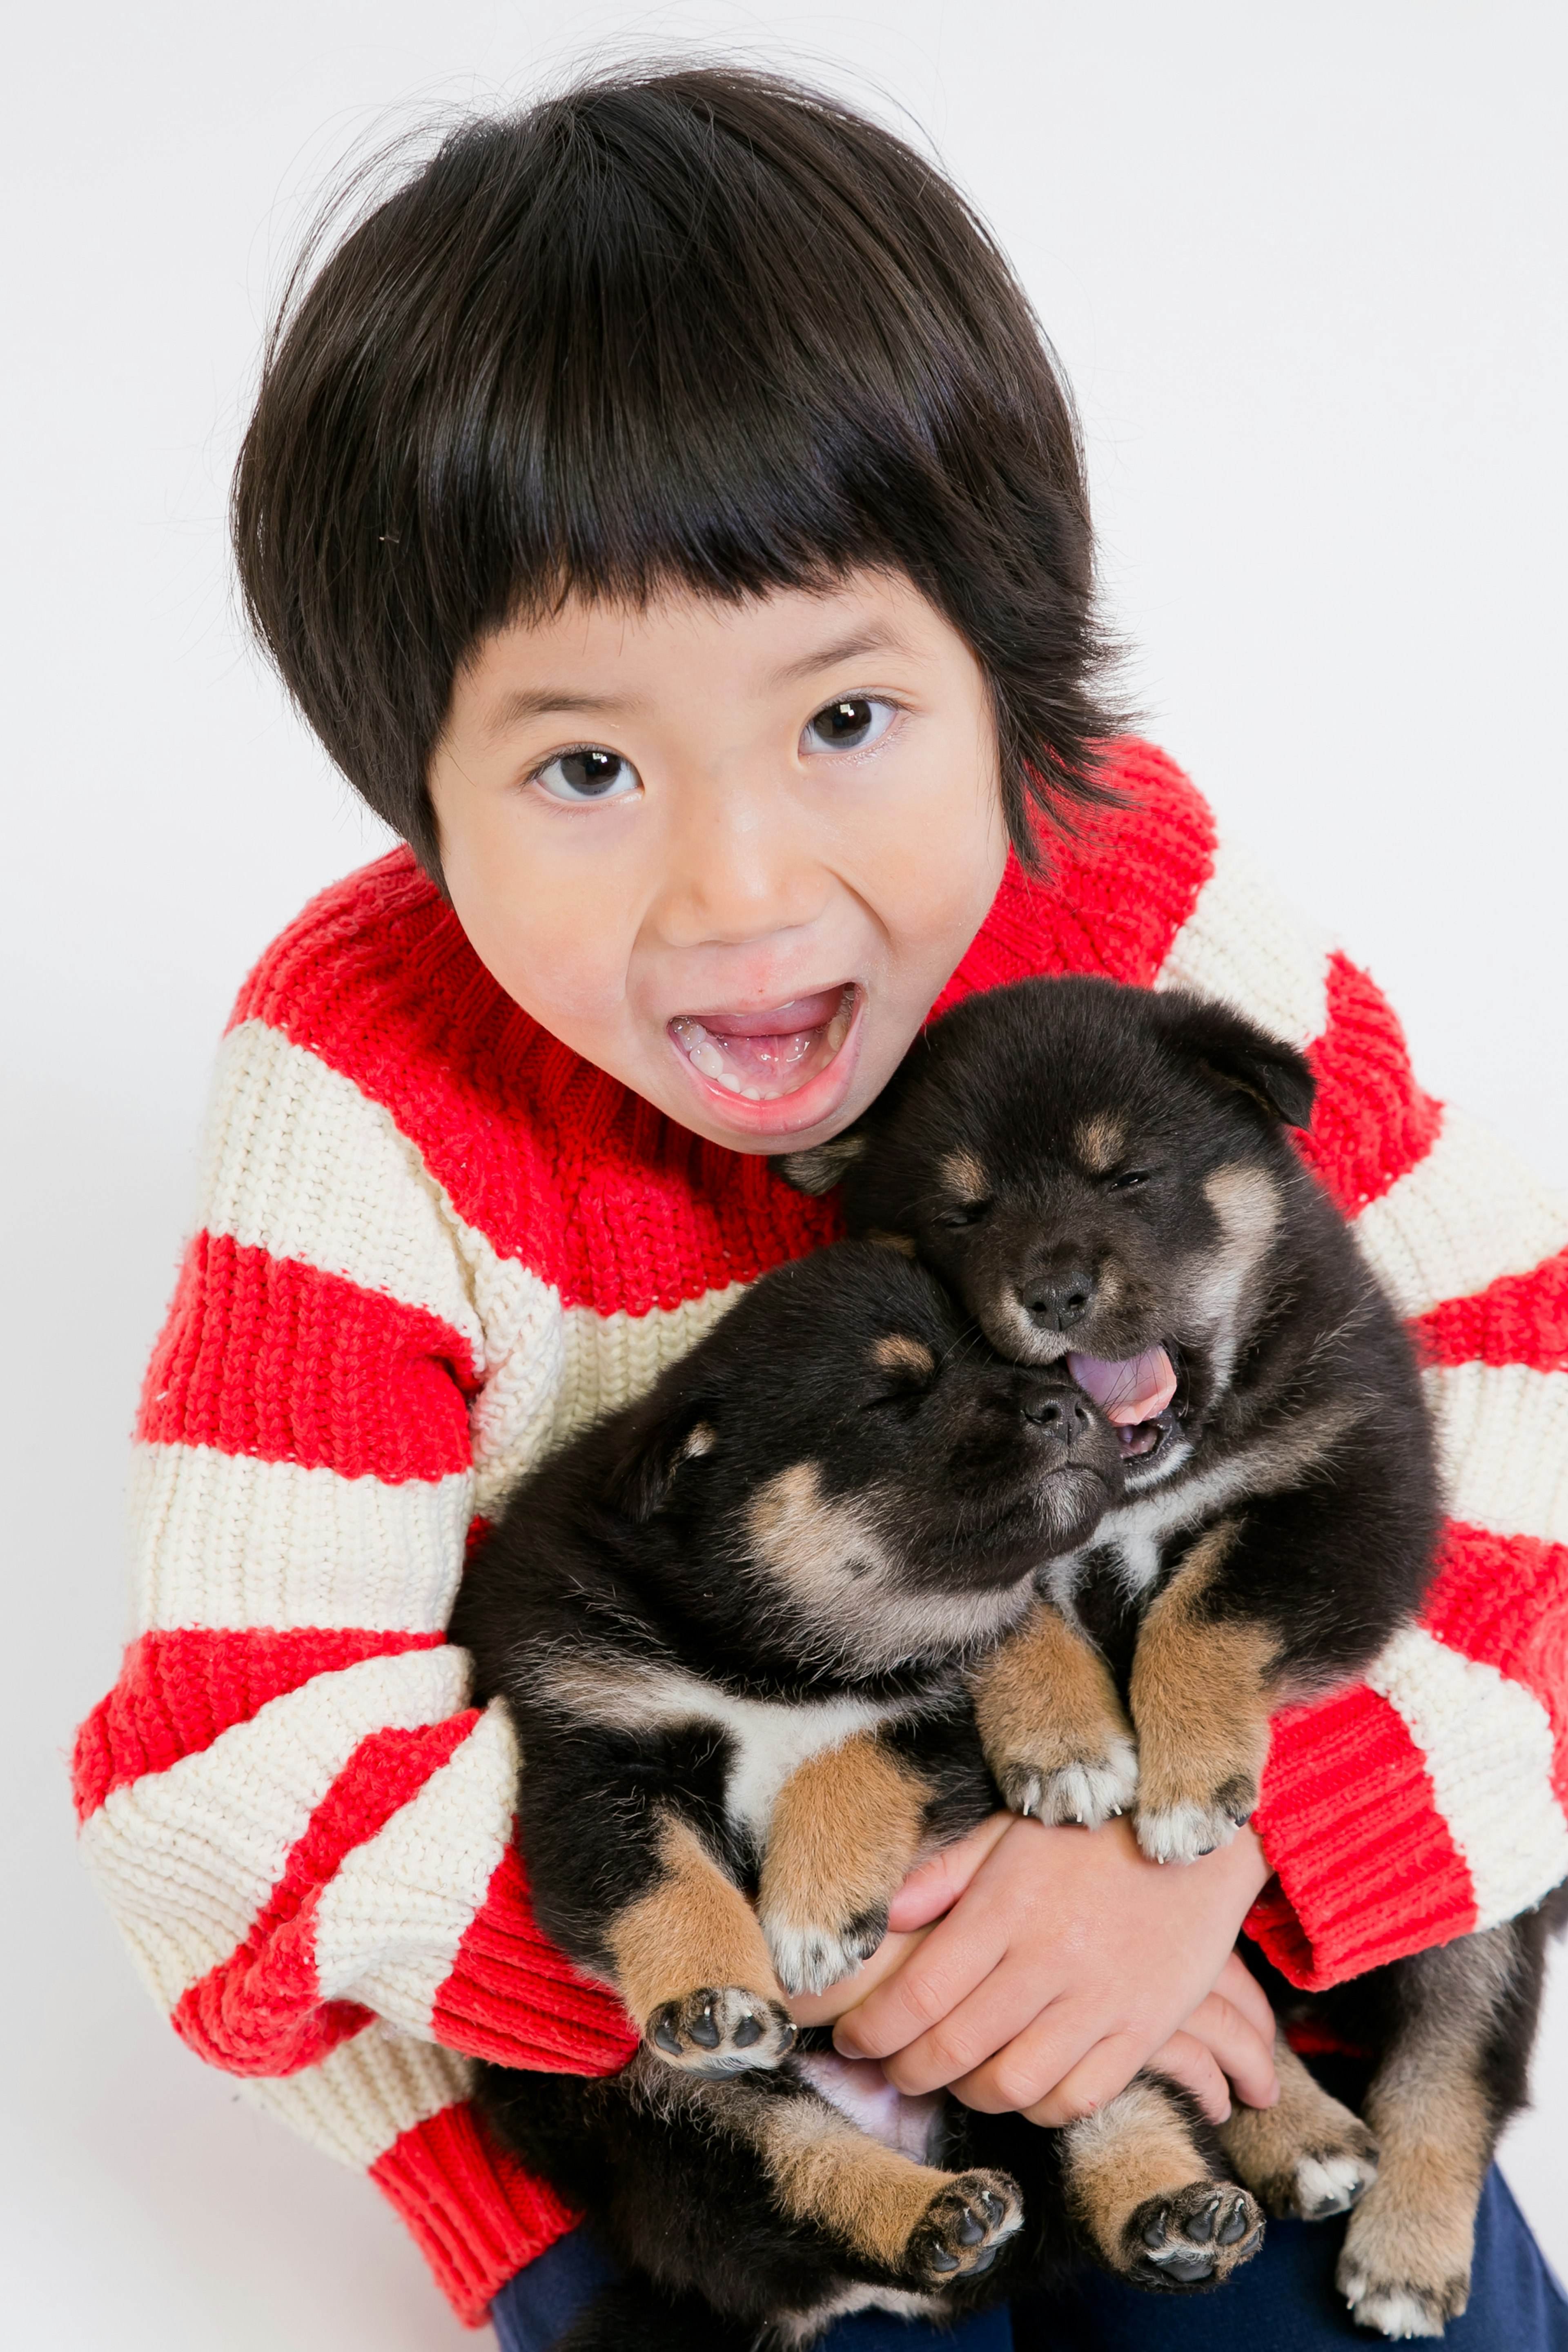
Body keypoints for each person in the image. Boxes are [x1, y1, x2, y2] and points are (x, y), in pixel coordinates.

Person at [71, 63, 1568, 2349]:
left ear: (1014, 676)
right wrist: (821, 1958)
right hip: (689, 2096)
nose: (742, 885)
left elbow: (1522, 1379)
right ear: (414, 795)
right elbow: (222, 1804)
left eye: (845, 720)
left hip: (1182, 1969)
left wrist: (1236, 1846)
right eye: (585, 767)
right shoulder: (358, 1085)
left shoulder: (1139, 905)